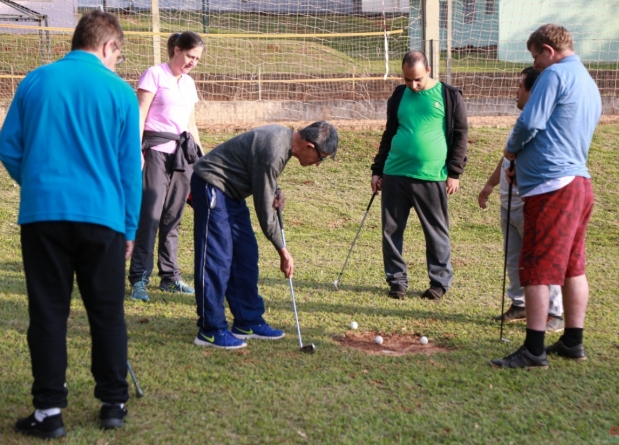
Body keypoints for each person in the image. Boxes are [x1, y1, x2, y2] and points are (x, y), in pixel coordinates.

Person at [0, 10, 141, 437]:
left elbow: (9, 148)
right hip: (103, 217)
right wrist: (130, 227)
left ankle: (48, 412)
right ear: (107, 47)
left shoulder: (35, 80)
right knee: (107, 311)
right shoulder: (119, 93)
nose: (117, 63)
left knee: (48, 313)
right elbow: (129, 170)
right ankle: (112, 403)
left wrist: (40, 182)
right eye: (118, 54)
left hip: (44, 215)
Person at [490, 24, 602, 369]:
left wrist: (511, 152)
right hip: (578, 183)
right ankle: (572, 341)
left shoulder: (554, 76)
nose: (535, 64)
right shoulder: (588, 81)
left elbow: (529, 123)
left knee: (536, 268)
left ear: (548, 50)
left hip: (552, 188)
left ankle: (534, 350)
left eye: (535, 55)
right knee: (572, 267)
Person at [190, 121, 338, 349]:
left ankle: (247, 320)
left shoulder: (283, 143)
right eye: (321, 158)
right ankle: (210, 329)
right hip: (212, 185)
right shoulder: (274, 150)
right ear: (310, 146)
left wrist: (275, 191)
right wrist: (283, 251)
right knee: (217, 258)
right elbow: (263, 209)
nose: (318, 164)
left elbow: (260, 175)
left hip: (231, 193)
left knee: (245, 254)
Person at [371, 51, 469, 300]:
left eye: (417, 80)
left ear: (428, 69)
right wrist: (378, 169)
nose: (412, 86)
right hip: (395, 173)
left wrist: (455, 172)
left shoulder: (449, 96)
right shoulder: (398, 95)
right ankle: (397, 282)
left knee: (436, 231)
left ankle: (439, 283)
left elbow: (460, 135)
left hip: (432, 176)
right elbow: (389, 133)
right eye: (407, 80)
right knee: (391, 231)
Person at [478, 67, 564, 333]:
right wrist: (491, 185)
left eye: (520, 86)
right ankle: (519, 305)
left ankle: (555, 313)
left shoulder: (538, 124)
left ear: (534, 91)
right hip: (508, 205)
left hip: (531, 205)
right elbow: (508, 159)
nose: (516, 91)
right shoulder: (522, 121)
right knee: (514, 259)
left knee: (540, 260)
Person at [128, 31, 205, 301]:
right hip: (155, 153)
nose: (192, 62)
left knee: (174, 217)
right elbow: (139, 113)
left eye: (197, 58)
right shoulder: (154, 74)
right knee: (150, 217)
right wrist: (135, 152)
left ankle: (170, 278)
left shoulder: (189, 83)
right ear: (175, 49)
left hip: (182, 156)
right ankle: (139, 279)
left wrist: (202, 159)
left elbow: (190, 123)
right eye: (189, 56)